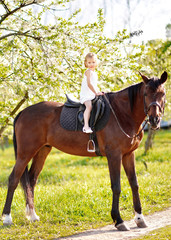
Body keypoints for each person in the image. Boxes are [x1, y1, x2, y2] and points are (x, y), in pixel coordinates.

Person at [80, 52, 103, 134]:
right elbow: (89, 84)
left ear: (96, 62)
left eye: (93, 62)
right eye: (89, 62)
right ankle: (86, 126)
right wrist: (96, 92)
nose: (91, 64)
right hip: (86, 95)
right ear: (86, 63)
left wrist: (99, 92)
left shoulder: (94, 73)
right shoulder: (88, 72)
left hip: (92, 94)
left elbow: (94, 85)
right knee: (89, 106)